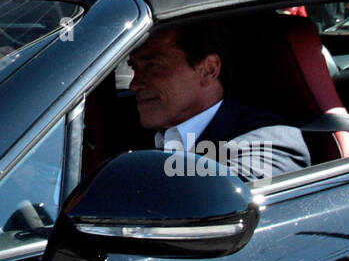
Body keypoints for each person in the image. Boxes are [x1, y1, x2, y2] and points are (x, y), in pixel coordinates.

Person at [127, 26, 310, 182]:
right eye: (134, 69)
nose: (134, 85)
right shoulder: (129, 135)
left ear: (209, 69)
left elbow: (208, 199)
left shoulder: (267, 142)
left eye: (151, 66)